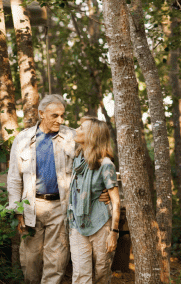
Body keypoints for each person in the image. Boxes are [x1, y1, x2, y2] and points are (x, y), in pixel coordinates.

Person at [6, 94, 76, 284]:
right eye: (55, 116)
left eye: (62, 116)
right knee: (30, 260)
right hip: (32, 205)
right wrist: (17, 209)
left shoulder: (72, 136)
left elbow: (92, 163)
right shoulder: (23, 139)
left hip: (60, 207)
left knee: (57, 260)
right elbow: (14, 177)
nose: (60, 120)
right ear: (41, 114)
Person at [67, 117, 120, 284]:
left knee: (101, 273)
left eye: (81, 128)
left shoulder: (105, 164)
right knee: (80, 275)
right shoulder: (78, 160)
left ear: (92, 135)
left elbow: (116, 201)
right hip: (78, 223)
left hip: (101, 224)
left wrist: (114, 232)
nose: (76, 129)